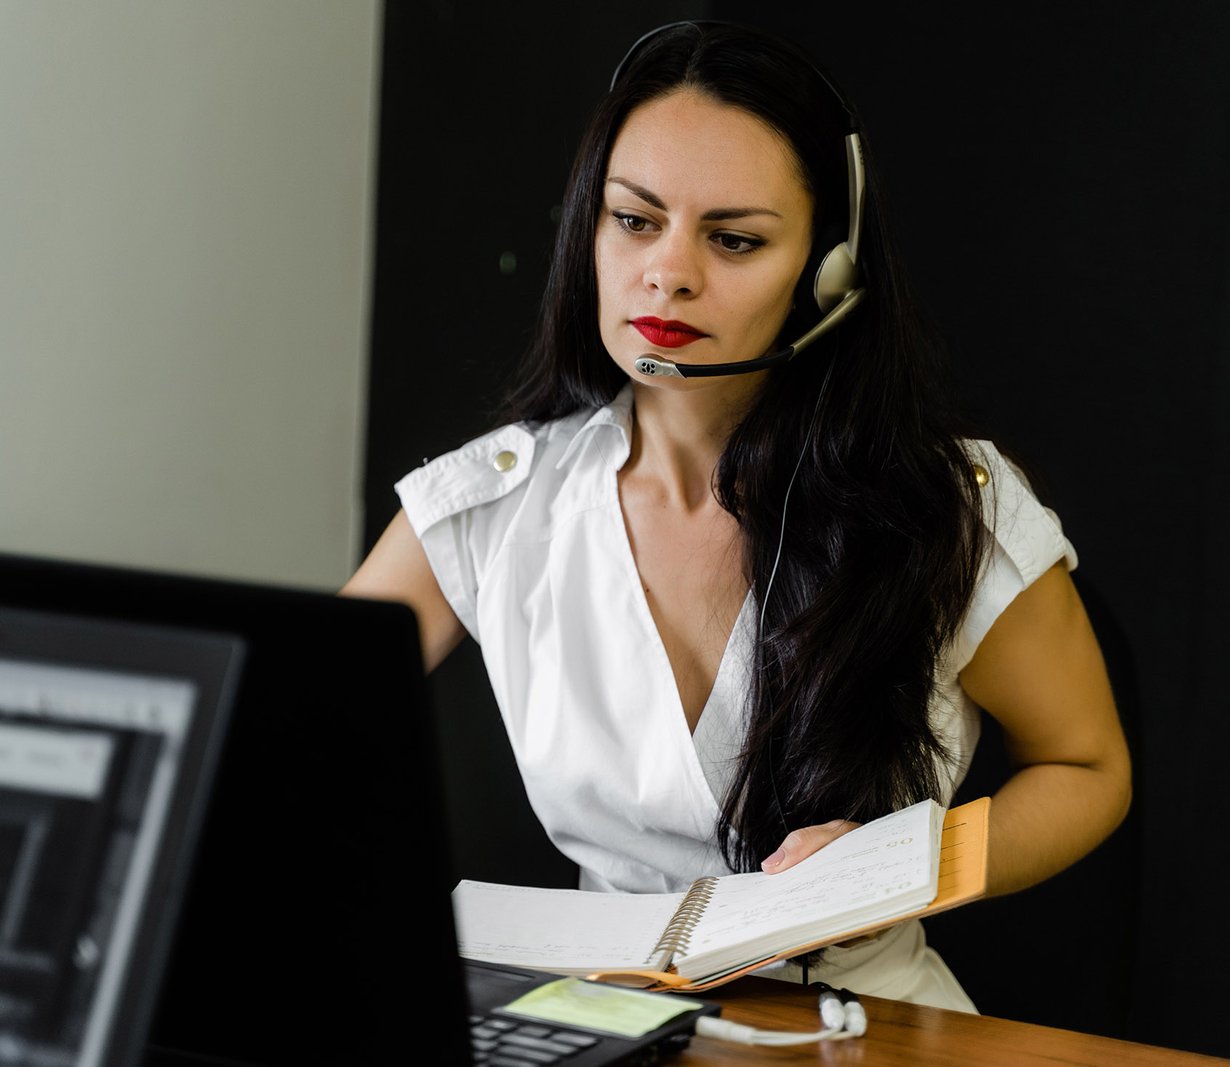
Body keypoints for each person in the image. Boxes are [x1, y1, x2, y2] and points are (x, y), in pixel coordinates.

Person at [344, 20, 1130, 1011]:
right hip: (601, 1009)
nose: (668, 273)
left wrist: (914, 864)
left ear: (829, 271)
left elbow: (1088, 764)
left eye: (734, 239)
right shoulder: (492, 503)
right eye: (634, 220)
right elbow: (286, 726)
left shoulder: (947, 505)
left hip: (864, 1017)